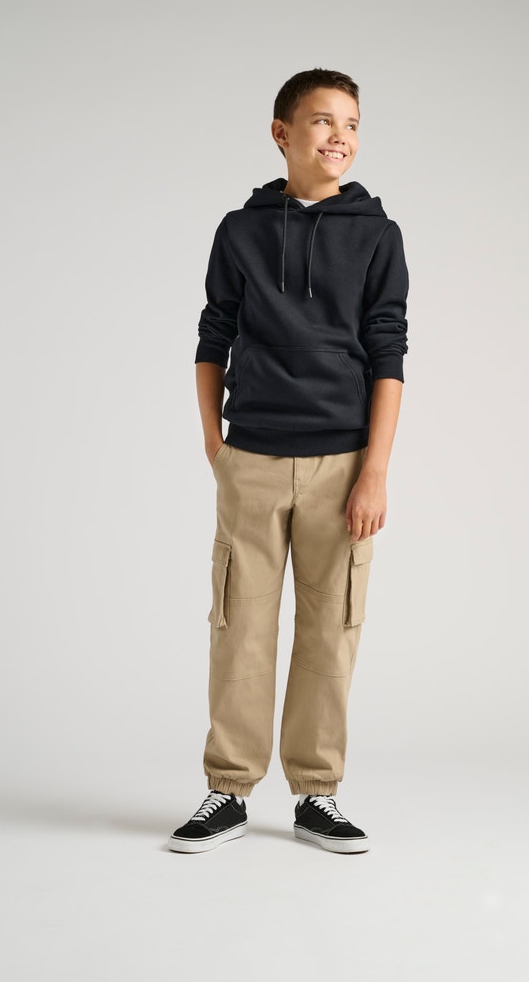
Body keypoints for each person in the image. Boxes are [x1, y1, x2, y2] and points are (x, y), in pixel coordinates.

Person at [168, 68, 410, 854]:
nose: (340, 135)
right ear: (282, 133)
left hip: (342, 463)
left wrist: (375, 471)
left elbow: (388, 352)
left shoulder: (377, 235)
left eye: (352, 122)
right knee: (238, 626)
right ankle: (228, 789)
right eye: (322, 120)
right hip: (253, 457)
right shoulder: (239, 231)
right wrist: (215, 444)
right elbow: (213, 334)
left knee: (330, 631)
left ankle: (317, 794)